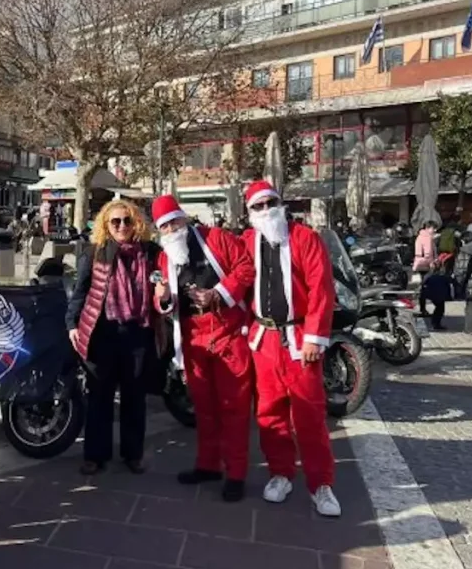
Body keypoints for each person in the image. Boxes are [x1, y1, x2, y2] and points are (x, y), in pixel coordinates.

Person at [241, 181, 340, 518]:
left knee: (309, 415)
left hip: (299, 338)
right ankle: (280, 473)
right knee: (270, 414)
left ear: (281, 204)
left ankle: (321, 483)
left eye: (271, 203)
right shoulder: (247, 242)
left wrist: (314, 336)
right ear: (250, 212)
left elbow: (321, 288)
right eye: (258, 206)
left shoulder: (304, 238)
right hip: (264, 340)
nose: (266, 209)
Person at [151, 195, 254, 501]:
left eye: (174, 221)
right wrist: (163, 297)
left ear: (184, 218)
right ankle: (208, 464)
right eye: (164, 226)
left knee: (233, 407)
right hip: (192, 337)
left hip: (227, 330)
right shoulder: (165, 258)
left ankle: (236, 473)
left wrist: (217, 293)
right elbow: (162, 304)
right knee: (204, 407)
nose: (171, 229)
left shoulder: (217, 238)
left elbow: (246, 268)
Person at [66, 199, 159, 475]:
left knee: (135, 397)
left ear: (136, 223)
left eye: (127, 221)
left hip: (137, 332)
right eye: (115, 221)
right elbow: (80, 292)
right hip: (102, 332)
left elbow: (163, 285)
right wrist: (72, 324)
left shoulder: (150, 253)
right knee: (99, 396)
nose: (121, 226)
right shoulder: (95, 253)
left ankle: (133, 454)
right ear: (106, 225)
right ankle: (95, 455)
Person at [413, 220, 438, 317]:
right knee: (428, 287)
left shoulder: (420, 236)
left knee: (422, 287)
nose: (435, 230)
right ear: (428, 228)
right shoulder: (428, 238)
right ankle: (426, 309)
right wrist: (432, 263)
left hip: (419, 263)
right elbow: (428, 254)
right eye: (433, 228)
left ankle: (422, 309)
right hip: (426, 265)